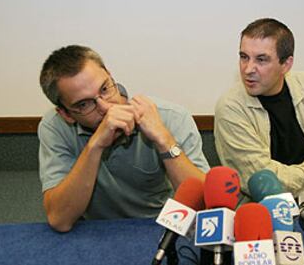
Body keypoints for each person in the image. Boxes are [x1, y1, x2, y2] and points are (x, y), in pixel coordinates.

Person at [38, 45, 209, 232]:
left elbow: (206, 209)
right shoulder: (55, 128)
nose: (105, 108)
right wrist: (95, 146)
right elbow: (60, 220)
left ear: (111, 76)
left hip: (159, 228)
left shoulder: (170, 116)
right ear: (66, 114)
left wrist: (164, 140)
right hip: (94, 231)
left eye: (105, 89)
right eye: (84, 104)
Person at [214, 18, 304, 200]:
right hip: (270, 206)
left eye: (261, 60)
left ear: (286, 64)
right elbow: (261, 178)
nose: (248, 69)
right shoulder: (230, 108)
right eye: (244, 57)